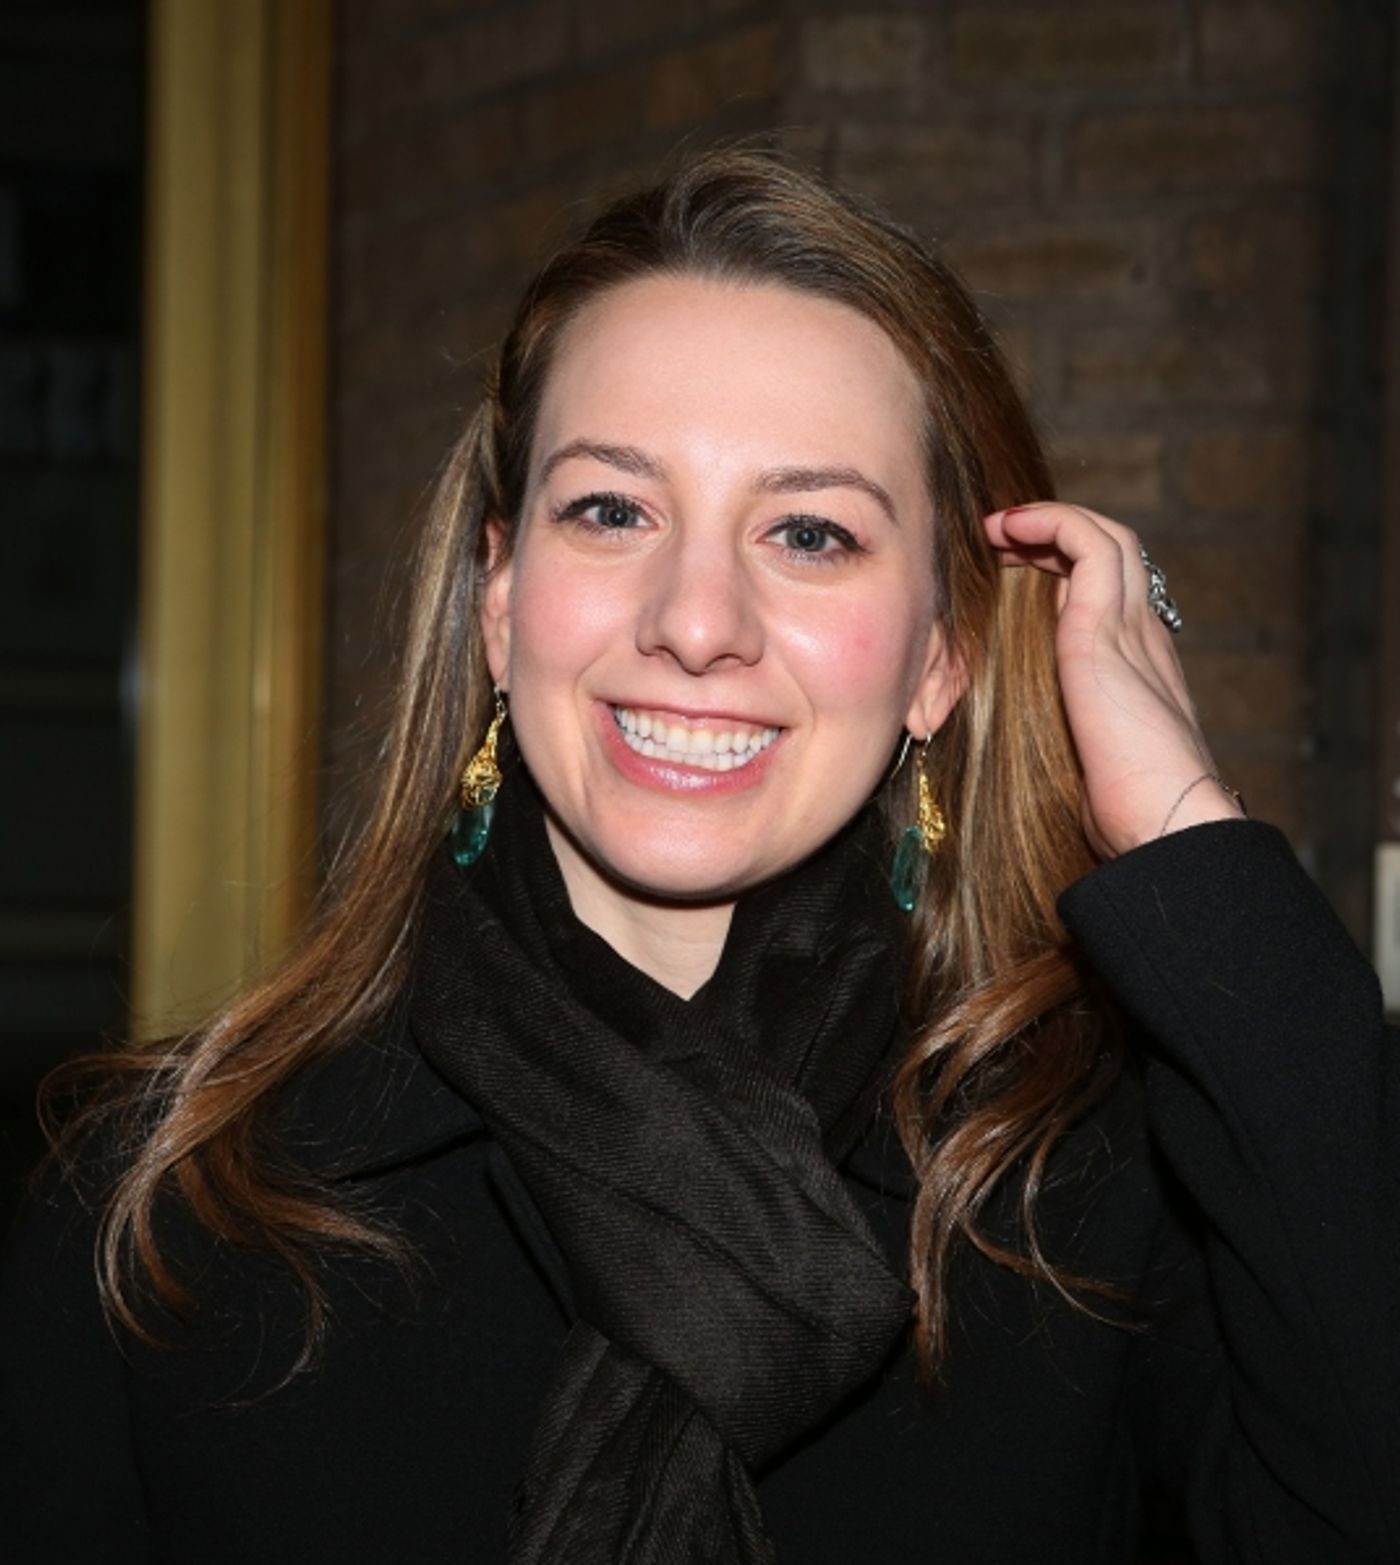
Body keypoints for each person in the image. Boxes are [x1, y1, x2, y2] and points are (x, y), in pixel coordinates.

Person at [2, 149, 1396, 1565]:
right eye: (613, 509)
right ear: (497, 599)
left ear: (939, 657)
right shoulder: (172, 1202)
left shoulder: (1080, 1197)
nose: (695, 615)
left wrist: (1182, 818)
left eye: (809, 531)